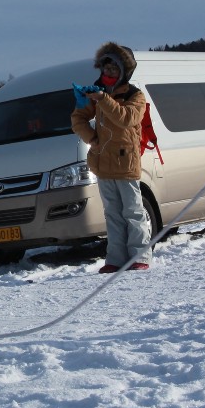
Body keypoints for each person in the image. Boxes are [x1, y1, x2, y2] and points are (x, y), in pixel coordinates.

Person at [70, 42, 152, 273]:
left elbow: (127, 119)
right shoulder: (96, 93)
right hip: (103, 164)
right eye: (106, 69)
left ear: (124, 71)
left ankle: (141, 256)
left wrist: (103, 99)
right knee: (113, 215)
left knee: (133, 213)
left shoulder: (135, 95)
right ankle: (116, 259)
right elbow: (78, 119)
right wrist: (92, 139)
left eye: (114, 69)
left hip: (126, 164)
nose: (109, 73)